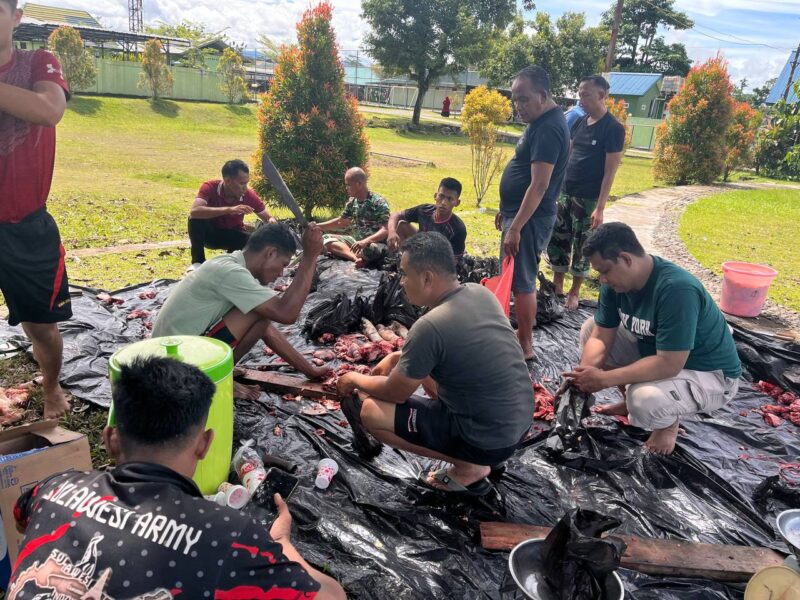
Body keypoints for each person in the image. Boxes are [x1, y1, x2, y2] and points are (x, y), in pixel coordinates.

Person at [6, 356, 346, 599]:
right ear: (205, 444)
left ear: (109, 439)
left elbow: (22, 520)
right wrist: (284, 545)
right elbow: (330, 596)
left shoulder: (53, 487)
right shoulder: (227, 538)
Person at [336, 233, 533, 495]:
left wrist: (352, 378)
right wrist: (396, 357)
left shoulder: (429, 326)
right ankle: (482, 456)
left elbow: (396, 392)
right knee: (428, 369)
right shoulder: (479, 293)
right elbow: (454, 352)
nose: (402, 282)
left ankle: (469, 466)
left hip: (487, 439)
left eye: (405, 274)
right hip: (517, 425)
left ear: (427, 278)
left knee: (372, 411)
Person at [566, 223, 742, 455]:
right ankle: (629, 400)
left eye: (605, 271)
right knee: (590, 328)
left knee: (644, 400)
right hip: (663, 357)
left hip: (710, 374)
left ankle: (667, 424)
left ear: (626, 259)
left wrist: (604, 379)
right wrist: (583, 378)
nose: (602, 280)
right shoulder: (616, 284)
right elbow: (600, 337)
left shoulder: (676, 289)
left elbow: (669, 364)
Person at [153, 222, 329, 400]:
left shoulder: (231, 264)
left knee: (262, 313)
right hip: (174, 371)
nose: (282, 273)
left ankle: (221, 371)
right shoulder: (230, 272)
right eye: (283, 264)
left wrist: (310, 371)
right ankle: (216, 377)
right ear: (270, 253)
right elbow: (287, 313)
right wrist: (310, 256)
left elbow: (266, 329)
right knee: (264, 311)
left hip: (172, 360)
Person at [0, 0, 72, 418]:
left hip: (27, 226)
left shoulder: (39, 63)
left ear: (16, 17)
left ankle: (51, 388)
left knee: (41, 326)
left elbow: (49, 110)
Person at [497, 66, 570, 360]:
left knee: (523, 281)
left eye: (524, 99)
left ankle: (525, 346)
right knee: (516, 277)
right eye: (515, 99)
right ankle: (520, 337)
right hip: (519, 214)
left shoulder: (549, 128)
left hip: (530, 218)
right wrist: (508, 212)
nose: (519, 106)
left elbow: (540, 186)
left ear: (543, 95)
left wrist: (516, 227)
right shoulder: (541, 122)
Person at [547, 75, 625, 310]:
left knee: (583, 246)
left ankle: (574, 291)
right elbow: (567, 156)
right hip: (565, 192)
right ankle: (557, 285)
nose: (580, 98)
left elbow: (610, 172)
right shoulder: (580, 122)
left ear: (602, 96)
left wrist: (600, 207)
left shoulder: (613, 128)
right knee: (558, 240)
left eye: (586, 94)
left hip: (588, 198)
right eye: (579, 93)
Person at [188, 159, 277, 270]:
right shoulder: (210, 187)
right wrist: (229, 209)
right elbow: (194, 211)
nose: (245, 188)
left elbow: (267, 217)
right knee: (195, 218)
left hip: (232, 236)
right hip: (209, 233)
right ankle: (197, 263)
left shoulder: (248, 195)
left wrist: (272, 221)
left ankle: (225, 268)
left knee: (249, 240)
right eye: (241, 183)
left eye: (246, 183)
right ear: (228, 181)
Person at [318, 167, 389, 266]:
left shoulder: (378, 202)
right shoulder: (352, 202)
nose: (346, 188)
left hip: (373, 243)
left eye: (348, 185)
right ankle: (355, 258)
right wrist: (318, 226)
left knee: (373, 250)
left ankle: (355, 256)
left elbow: (386, 229)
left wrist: (366, 241)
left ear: (359, 184)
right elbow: (341, 221)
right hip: (355, 242)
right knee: (325, 238)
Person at [386, 177, 467, 261]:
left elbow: (454, 261)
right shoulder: (424, 210)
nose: (443, 202)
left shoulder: (458, 229)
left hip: (437, 260)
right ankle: (400, 261)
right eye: (441, 196)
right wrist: (391, 232)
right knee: (402, 226)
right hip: (420, 245)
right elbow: (396, 214)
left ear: (457, 203)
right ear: (435, 196)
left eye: (450, 199)